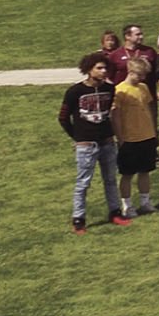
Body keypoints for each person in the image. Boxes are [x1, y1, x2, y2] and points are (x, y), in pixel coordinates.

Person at [60, 52, 126, 233]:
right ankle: (79, 219)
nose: (104, 71)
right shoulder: (75, 91)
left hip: (106, 141)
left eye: (105, 68)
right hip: (86, 145)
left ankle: (115, 212)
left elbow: (110, 114)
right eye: (99, 68)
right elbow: (63, 118)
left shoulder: (110, 89)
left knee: (111, 179)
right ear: (89, 70)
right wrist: (77, 137)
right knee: (83, 183)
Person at [111, 55, 159, 217]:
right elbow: (115, 116)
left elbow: (149, 108)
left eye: (144, 75)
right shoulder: (119, 91)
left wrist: (154, 130)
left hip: (147, 135)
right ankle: (127, 205)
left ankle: (145, 202)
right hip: (129, 137)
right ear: (130, 72)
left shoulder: (144, 87)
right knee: (127, 173)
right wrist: (120, 137)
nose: (142, 78)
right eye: (139, 75)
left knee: (145, 170)